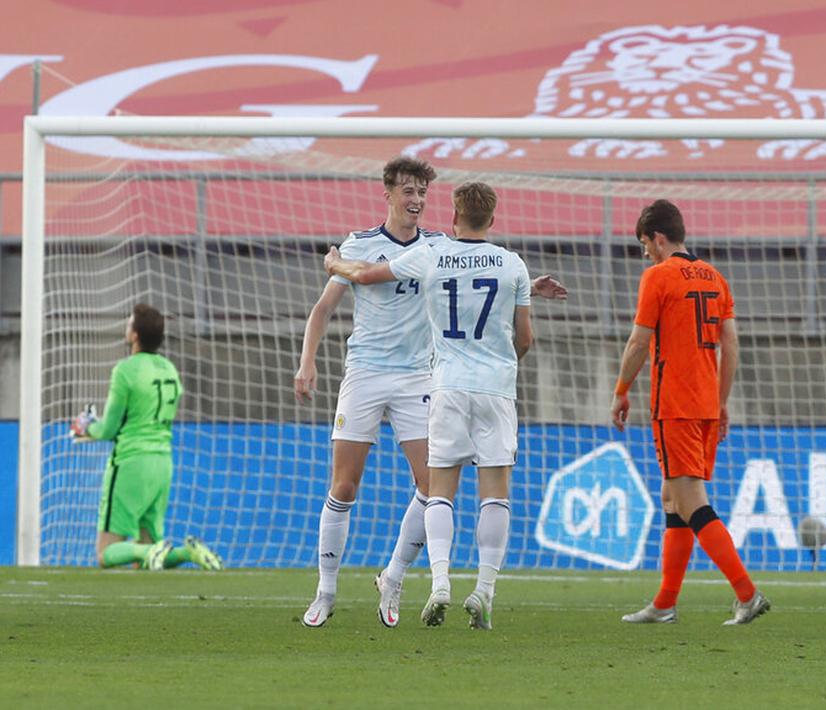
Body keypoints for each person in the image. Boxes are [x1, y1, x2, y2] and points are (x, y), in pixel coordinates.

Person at [297, 159, 564, 629]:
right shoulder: (362, 243)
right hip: (364, 372)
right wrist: (307, 361)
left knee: (430, 484)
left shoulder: (437, 248)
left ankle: (394, 577)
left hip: (420, 377)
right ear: (388, 194)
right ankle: (326, 591)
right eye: (407, 191)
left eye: (422, 191)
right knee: (344, 485)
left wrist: (532, 290)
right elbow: (324, 308)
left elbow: (477, 279)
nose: (416, 200)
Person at [611, 199, 770, 626]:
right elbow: (731, 345)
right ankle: (664, 602)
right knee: (671, 498)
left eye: (646, 244)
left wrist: (621, 390)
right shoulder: (716, 278)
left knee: (690, 500)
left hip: (675, 405)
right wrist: (720, 402)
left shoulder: (658, 277)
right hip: (704, 404)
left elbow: (638, 342)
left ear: (659, 239)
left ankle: (746, 592)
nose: (645, 252)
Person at [71, 303, 223, 572]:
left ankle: (154, 549)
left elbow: (108, 429)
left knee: (105, 553)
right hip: (162, 464)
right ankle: (187, 552)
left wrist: (86, 428)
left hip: (131, 461)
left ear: (135, 335)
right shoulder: (169, 370)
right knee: (148, 557)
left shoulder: (126, 370)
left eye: (129, 323)